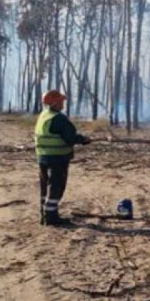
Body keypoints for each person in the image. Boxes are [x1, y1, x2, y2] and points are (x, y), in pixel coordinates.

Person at [35, 90, 91, 226]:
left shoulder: (44, 115)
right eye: (61, 101)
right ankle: (52, 217)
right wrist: (83, 139)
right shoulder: (59, 118)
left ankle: (45, 214)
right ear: (54, 103)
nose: (63, 104)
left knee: (45, 185)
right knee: (56, 186)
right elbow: (69, 138)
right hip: (57, 158)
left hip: (43, 157)